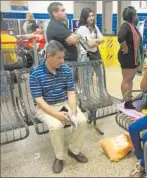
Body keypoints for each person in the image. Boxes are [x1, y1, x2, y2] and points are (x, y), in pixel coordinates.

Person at [29, 40, 88, 174]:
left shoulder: (66, 70)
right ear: (48, 57)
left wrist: (72, 111)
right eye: (59, 58)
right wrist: (57, 116)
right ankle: (59, 157)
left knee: (82, 120)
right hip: (45, 106)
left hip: (63, 103)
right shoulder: (35, 74)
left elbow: (71, 93)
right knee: (56, 126)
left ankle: (74, 150)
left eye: (63, 57)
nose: (62, 61)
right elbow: (39, 101)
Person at [76, 7, 107, 99]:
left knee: (101, 75)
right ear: (84, 17)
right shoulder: (82, 28)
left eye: (92, 15)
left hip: (96, 54)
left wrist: (94, 41)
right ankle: (86, 96)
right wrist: (97, 41)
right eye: (89, 16)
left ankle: (102, 93)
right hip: (86, 56)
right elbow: (90, 44)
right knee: (86, 77)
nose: (91, 18)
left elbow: (103, 39)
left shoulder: (95, 27)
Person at [118, 6, 144, 99]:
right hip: (127, 57)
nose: (137, 16)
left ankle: (129, 97)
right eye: (136, 15)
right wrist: (124, 47)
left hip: (133, 57)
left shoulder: (133, 26)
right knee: (127, 79)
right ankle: (125, 100)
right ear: (133, 17)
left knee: (130, 79)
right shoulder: (125, 25)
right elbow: (120, 37)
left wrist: (144, 51)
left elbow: (137, 41)